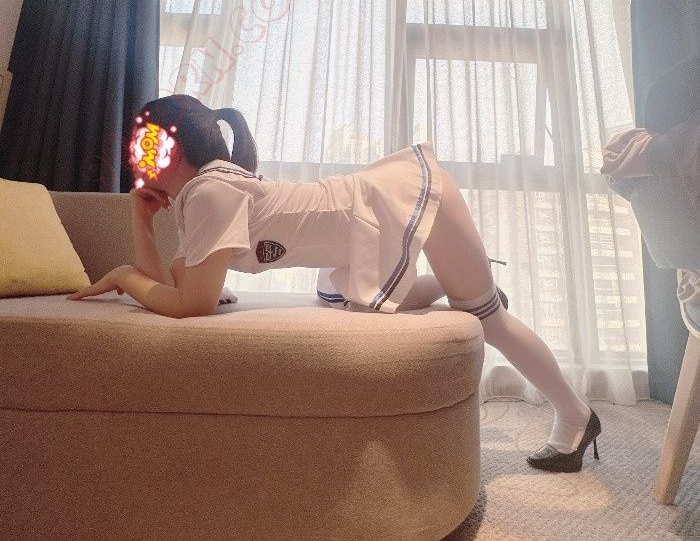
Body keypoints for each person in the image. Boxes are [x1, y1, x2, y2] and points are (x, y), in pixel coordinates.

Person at [68, 94, 601, 472]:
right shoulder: (199, 197)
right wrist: (141, 221)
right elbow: (171, 291)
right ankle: (444, 282)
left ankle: (577, 416)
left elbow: (190, 303)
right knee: (346, 299)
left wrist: (123, 276)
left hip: (401, 198)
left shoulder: (212, 193)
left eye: (144, 146)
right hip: (357, 237)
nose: (135, 159)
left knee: (489, 319)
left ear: (174, 149)